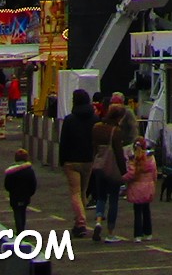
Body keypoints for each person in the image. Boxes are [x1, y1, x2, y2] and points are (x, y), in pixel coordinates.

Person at [59, 88, 100, 236]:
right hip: (88, 159)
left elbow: (64, 142)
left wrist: (61, 160)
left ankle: (81, 222)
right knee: (82, 192)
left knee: (75, 192)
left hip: (71, 160)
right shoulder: (95, 119)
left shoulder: (70, 119)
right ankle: (78, 223)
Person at [89, 114, 123, 240]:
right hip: (111, 168)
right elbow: (119, 154)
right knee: (113, 199)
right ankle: (110, 232)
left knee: (101, 197)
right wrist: (123, 172)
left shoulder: (96, 128)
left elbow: (93, 148)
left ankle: (98, 221)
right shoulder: (115, 132)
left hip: (98, 166)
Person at [123, 139, 159, 241]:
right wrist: (153, 183)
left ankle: (137, 235)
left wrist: (122, 179)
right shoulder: (151, 158)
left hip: (136, 188)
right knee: (146, 210)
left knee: (137, 211)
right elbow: (154, 174)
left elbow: (131, 174)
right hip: (148, 188)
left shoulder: (133, 159)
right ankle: (148, 233)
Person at [4, 147, 38, 235]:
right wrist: (31, 193)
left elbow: (7, 185)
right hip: (25, 194)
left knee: (16, 211)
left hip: (14, 195)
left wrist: (10, 190)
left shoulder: (11, 172)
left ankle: (19, 229)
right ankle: (22, 227)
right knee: (23, 211)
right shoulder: (29, 171)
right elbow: (33, 183)